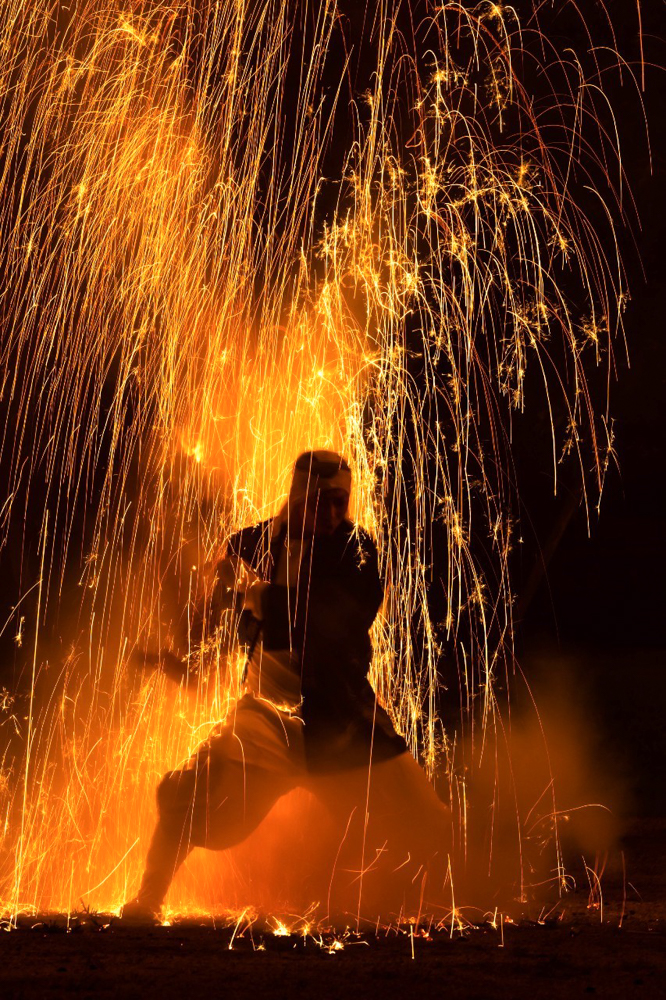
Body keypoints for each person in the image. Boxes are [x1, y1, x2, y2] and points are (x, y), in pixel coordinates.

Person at [122, 450, 449, 921]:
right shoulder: (248, 546)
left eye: (342, 502)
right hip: (267, 721)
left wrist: (261, 598)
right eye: (325, 501)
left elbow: (335, 619)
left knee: (428, 820)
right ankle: (147, 901)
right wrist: (170, 664)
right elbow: (212, 640)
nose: (335, 513)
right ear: (299, 495)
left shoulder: (357, 551)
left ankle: (409, 914)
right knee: (185, 799)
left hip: (339, 719)